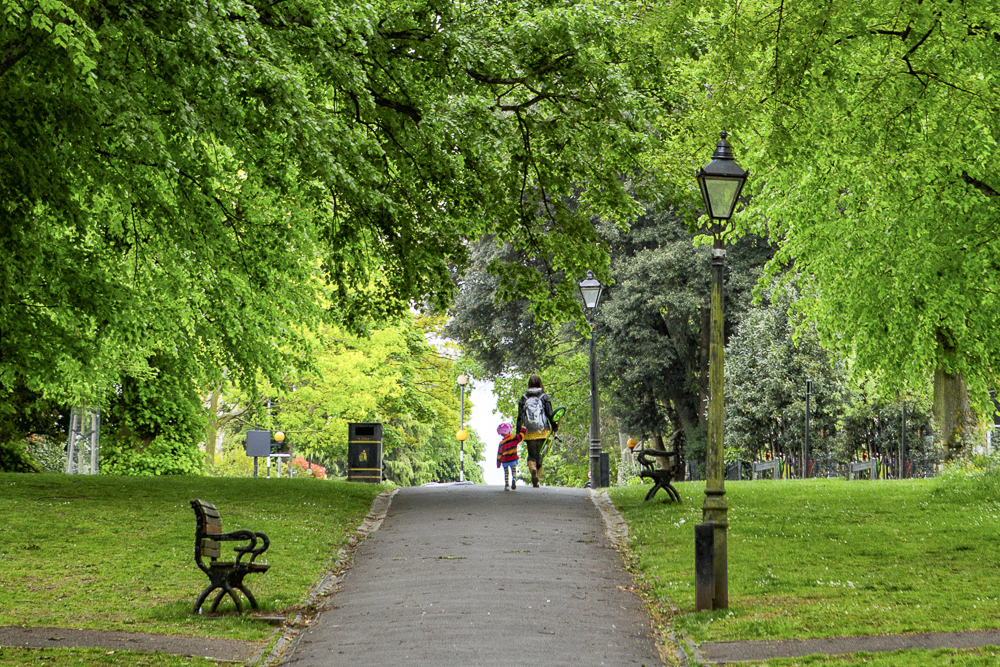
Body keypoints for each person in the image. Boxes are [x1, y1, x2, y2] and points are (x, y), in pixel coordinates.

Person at [516, 374, 556, 488]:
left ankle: (532, 468)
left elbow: (520, 417)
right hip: (543, 430)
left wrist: (518, 432)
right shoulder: (544, 397)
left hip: (529, 431)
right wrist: (555, 427)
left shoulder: (524, 398)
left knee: (531, 454)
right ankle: (537, 479)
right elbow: (550, 414)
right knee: (540, 455)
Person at [496, 423, 524, 490]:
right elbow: (521, 436)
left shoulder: (501, 443)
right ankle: (514, 478)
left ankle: (507, 485)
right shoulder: (514, 438)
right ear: (509, 431)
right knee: (513, 471)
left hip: (505, 460)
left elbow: (499, 454)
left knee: (506, 473)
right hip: (513, 459)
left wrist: (498, 463)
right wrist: (523, 429)